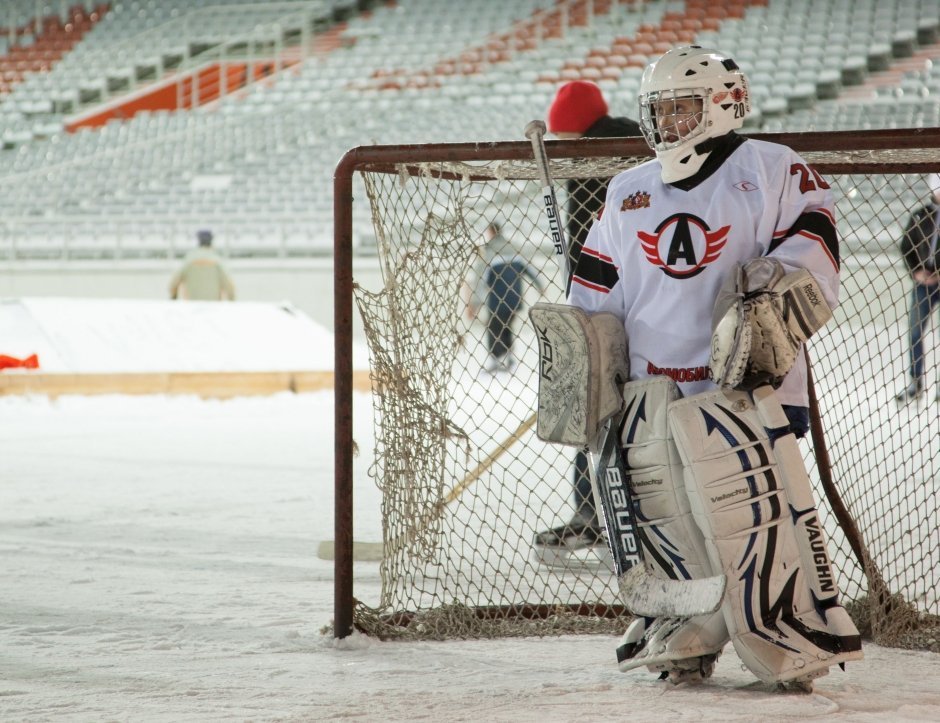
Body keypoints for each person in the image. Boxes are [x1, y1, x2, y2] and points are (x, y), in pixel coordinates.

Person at [564, 46, 861, 689]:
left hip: (747, 388)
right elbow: (594, 295)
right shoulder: (627, 190)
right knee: (666, 519)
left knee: (752, 519)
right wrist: (583, 353)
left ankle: (785, 633)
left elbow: (813, 256)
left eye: (680, 109)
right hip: (653, 391)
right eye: (659, 111)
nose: (666, 124)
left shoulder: (775, 168)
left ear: (725, 104)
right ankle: (686, 631)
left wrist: (765, 297)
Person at [533, 81, 642, 558]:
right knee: (607, 410)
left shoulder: (603, 156)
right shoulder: (616, 150)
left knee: (596, 409)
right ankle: (606, 515)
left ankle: (603, 516)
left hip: (609, 308)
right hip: (628, 305)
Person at [467, 221, 544, 373]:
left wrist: (474, 304)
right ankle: (508, 358)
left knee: (494, 328)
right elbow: (529, 268)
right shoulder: (513, 247)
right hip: (515, 299)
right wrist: (540, 286)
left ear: (490, 233)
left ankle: (497, 360)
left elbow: (480, 279)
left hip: (498, 300)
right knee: (507, 326)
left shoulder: (488, 252)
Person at [896, 174, 940, 402]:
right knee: (914, 332)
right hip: (923, 284)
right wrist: (917, 272)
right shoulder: (920, 216)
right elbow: (906, 247)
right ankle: (915, 383)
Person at [169, 229, 236, 301]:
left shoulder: (189, 259)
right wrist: (231, 298)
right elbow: (228, 284)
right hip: (213, 305)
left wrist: (173, 296)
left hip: (192, 305)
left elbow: (174, 282)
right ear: (211, 242)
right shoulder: (217, 259)